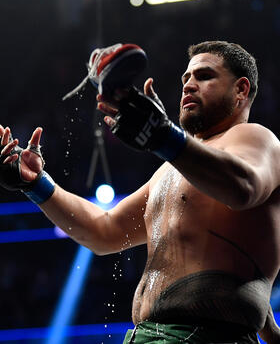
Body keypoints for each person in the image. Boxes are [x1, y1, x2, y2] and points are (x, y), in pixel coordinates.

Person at [1, 41, 280, 343]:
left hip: (207, 335)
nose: (188, 85)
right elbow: (104, 232)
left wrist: (162, 135)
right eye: (185, 78)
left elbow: (244, 187)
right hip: (145, 335)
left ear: (241, 89)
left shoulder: (255, 137)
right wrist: (37, 184)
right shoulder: (171, 169)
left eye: (204, 76)